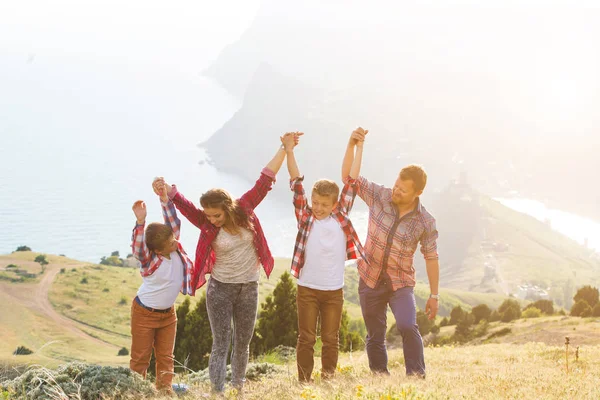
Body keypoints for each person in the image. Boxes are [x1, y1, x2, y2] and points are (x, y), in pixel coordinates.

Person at [157, 134, 293, 393]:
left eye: (216, 215)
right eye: (208, 215)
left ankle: (238, 389)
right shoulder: (208, 224)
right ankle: (217, 392)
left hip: (248, 288)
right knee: (221, 343)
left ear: (228, 208)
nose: (212, 220)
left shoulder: (244, 209)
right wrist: (169, 192)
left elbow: (265, 180)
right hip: (220, 290)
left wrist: (284, 149)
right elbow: (185, 207)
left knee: (243, 342)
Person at [341, 127, 440, 378]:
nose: (396, 191)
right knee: (375, 335)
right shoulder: (380, 196)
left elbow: (431, 258)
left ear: (418, 193)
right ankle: (380, 379)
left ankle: (416, 378)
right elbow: (349, 179)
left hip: (400, 283)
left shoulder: (425, 222)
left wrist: (435, 294)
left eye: (403, 190)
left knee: (408, 325)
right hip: (370, 278)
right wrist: (353, 146)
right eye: (396, 185)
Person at [282, 132, 367, 382]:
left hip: (333, 291)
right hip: (307, 289)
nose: (318, 208)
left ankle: (328, 379)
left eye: (323, 204)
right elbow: (296, 182)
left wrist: (357, 146)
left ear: (334, 204)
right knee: (306, 338)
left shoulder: (341, 218)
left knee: (331, 339)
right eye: (315, 202)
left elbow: (352, 181)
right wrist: (289, 151)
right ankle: (304, 382)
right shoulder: (305, 217)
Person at [129, 178, 196, 392]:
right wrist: (141, 222)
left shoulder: (174, 246)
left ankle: (164, 393)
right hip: (144, 314)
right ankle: (136, 394)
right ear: (158, 250)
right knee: (140, 359)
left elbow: (173, 224)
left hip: (168, 315)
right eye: (170, 243)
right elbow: (139, 250)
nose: (176, 242)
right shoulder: (151, 261)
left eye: (173, 239)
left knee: (166, 358)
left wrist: (164, 199)